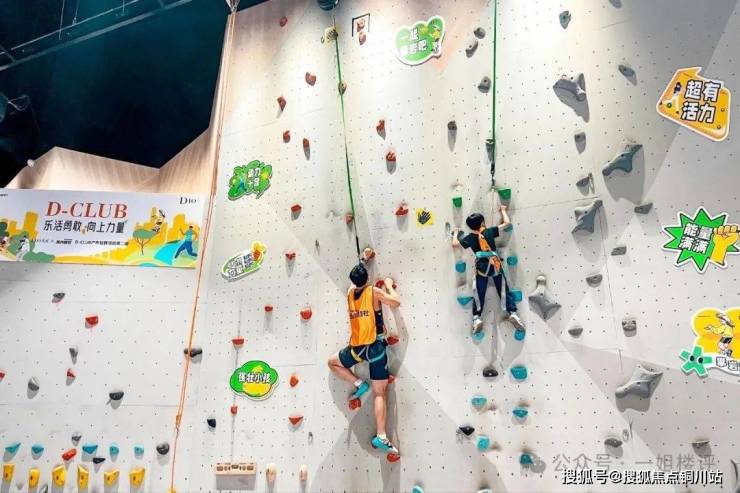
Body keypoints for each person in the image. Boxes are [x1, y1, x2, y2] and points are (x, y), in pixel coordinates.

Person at [328, 264, 401, 455]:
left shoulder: (350, 294)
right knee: (380, 393)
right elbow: (395, 302)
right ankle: (381, 435)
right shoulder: (374, 292)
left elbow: (356, 284)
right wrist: (388, 284)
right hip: (375, 349)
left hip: (357, 350)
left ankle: (359, 383)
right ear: (368, 278)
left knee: (332, 362)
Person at [452, 205, 525, 336]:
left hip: (482, 268)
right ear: (482, 223)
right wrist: (503, 210)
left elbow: (455, 245)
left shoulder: (470, 238)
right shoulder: (489, 232)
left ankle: (476, 318)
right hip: (495, 266)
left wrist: (456, 233)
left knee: (479, 293)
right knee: (504, 290)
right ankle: (513, 313)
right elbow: (507, 223)